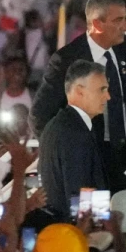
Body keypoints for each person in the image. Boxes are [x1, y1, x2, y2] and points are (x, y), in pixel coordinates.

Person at [32, 0, 126, 191]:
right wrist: (69, 155)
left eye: (124, 18)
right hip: (92, 166)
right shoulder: (68, 60)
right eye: (117, 20)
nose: (124, 25)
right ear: (97, 24)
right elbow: (40, 116)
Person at [38, 60, 109, 220]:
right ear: (79, 91)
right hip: (76, 234)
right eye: (102, 90)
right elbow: (79, 195)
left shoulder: (55, 125)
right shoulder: (76, 133)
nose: (108, 96)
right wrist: (101, 226)